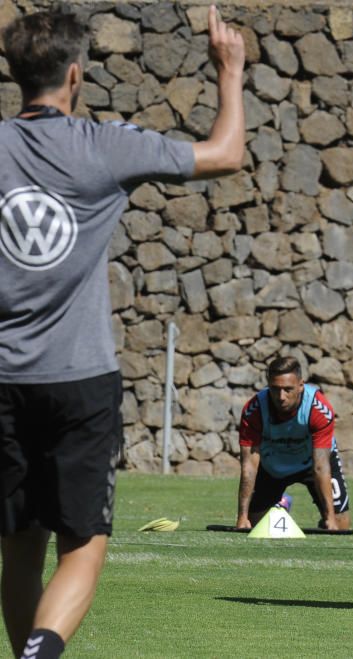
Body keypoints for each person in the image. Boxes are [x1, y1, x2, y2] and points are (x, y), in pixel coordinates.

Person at [0, 6, 244, 658]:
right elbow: (226, 153)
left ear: (15, 74)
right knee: (82, 545)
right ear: (75, 75)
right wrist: (229, 72)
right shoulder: (105, 146)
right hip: (80, 382)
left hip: (3, 383)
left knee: (20, 545)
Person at [235, 356, 351, 531]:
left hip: (311, 462)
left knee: (340, 526)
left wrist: (330, 518)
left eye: (288, 389)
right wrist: (242, 517)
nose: (281, 397)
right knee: (256, 527)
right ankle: (280, 504)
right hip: (272, 465)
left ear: (301, 385)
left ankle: (327, 517)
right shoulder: (254, 410)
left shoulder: (318, 410)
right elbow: (249, 465)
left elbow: (321, 466)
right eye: (275, 389)